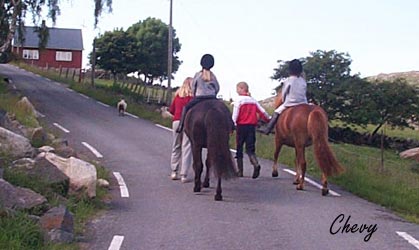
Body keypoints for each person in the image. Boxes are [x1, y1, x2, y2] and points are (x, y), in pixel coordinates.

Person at [232, 82, 270, 178]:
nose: (237, 91)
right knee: (250, 149)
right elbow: (262, 112)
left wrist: (232, 125)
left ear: (241, 88)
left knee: (239, 148)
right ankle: (255, 164)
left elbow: (235, 115)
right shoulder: (253, 100)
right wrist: (268, 119)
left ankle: (240, 171)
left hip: (241, 127)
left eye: (237, 89)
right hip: (251, 127)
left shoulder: (239, 100)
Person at [260, 59, 308, 135]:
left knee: (277, 112)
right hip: (303, 103)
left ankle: (268, 129)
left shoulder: (288, 80)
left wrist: (284, 99)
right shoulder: (303, 81)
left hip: (290, 103)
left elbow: (284, 94)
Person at [176, 54, 219, 133]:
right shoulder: (213, 76)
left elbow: (193, 86)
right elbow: (217, 88)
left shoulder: (198, 75)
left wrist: (194, 92)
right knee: (224, 109)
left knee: (186, 107)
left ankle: (181, 126)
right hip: (212, 97)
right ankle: (231, 125)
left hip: (200, 97)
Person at [169, 77, 193, 182]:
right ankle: (184, 174)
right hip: (188, 122)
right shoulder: (192, 97)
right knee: (186, 147)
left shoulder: (178, 96)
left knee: (176, 146)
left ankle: (174, 171)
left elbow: (171, 110)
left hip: (176, 121)